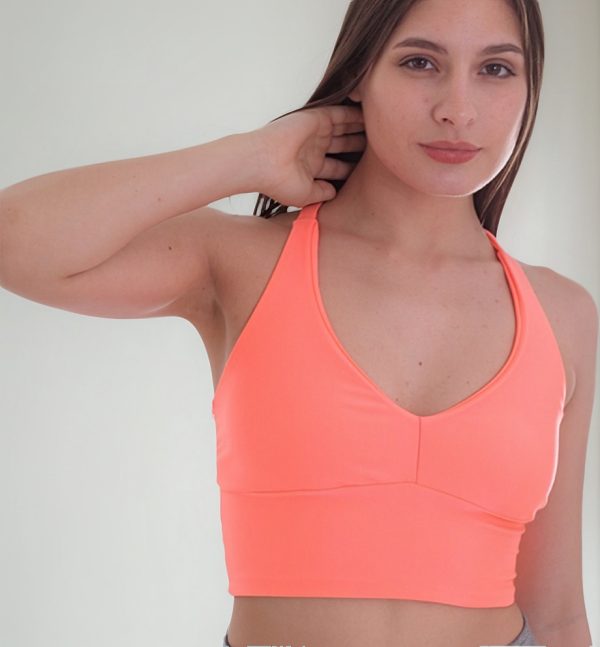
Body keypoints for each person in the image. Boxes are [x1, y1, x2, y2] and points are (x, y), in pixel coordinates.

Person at [0, 0, 596, 646]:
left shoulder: (561, 314)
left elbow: (559, 612)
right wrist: (248, 156)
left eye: (496, 70)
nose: (458, 108)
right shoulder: (244, 263)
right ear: (360, 72)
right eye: (420, 63)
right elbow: (15, 240)